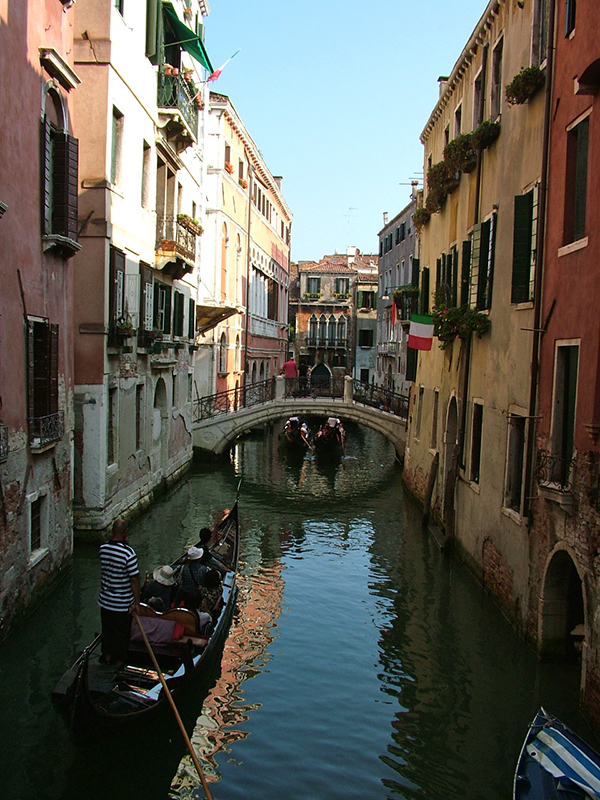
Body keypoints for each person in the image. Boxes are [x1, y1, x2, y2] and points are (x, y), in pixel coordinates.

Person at [98, 518, 140, 666]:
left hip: (105, 601)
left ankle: (107, 656)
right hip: (122, 603)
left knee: (108, 630)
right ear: (125, 532)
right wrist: (137, 603)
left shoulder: (103, 549)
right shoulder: (129, 553)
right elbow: (134, 579)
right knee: (121, 634)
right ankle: (119, 662)